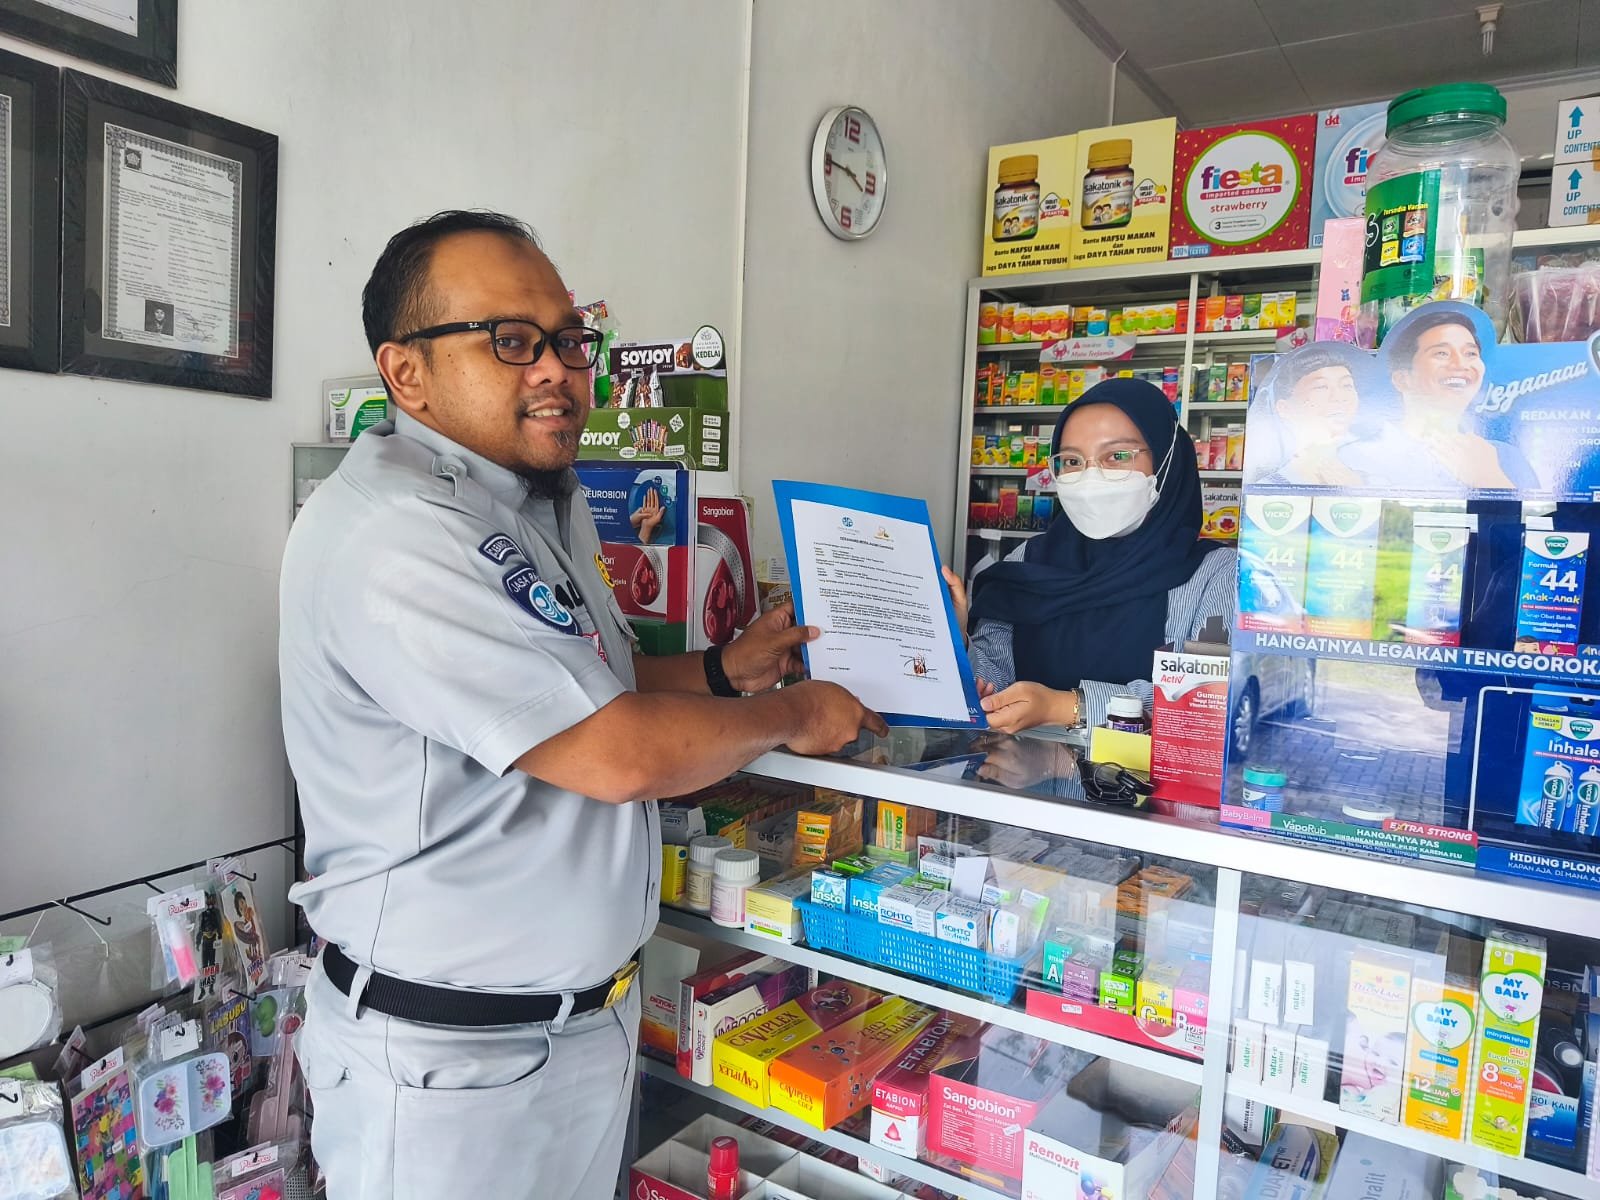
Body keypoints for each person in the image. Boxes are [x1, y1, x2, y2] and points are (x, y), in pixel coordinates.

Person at [279, 210, 885, 1200]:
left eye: (568, 340)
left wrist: (727, 671)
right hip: (452, 1069)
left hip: (577, 1032)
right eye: (511, 341)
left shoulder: (534, 499)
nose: (556, 370)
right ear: (407, 372)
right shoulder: (400, 533)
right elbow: (615, 751)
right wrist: (791, 715)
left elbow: (590, 682)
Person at [949, 378, 1236, 734]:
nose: (1090, 477)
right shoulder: (1027, 560)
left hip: (1147, 773)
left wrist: (1066, 707)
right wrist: (956, 639)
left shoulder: (1215, 574)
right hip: (1019, 768)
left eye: (1117, 456)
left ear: (1167, 461)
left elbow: (1206, 703)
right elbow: (994, 686)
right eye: (1072, 461)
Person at [1343, 308, 1538, 491]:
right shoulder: (1356, 456)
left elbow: (1538, 515)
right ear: (1402, 379)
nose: (1460, 364)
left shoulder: (1507, 457)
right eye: (1441, 353)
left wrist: (1491, 479)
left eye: (1470, 353)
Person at [1248, 344, 1365, 487]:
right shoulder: (1267, 487)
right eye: (1321, 387)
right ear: (1285, 409)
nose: (1339, 397)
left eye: (1347, 385)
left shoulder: (1374, 481)